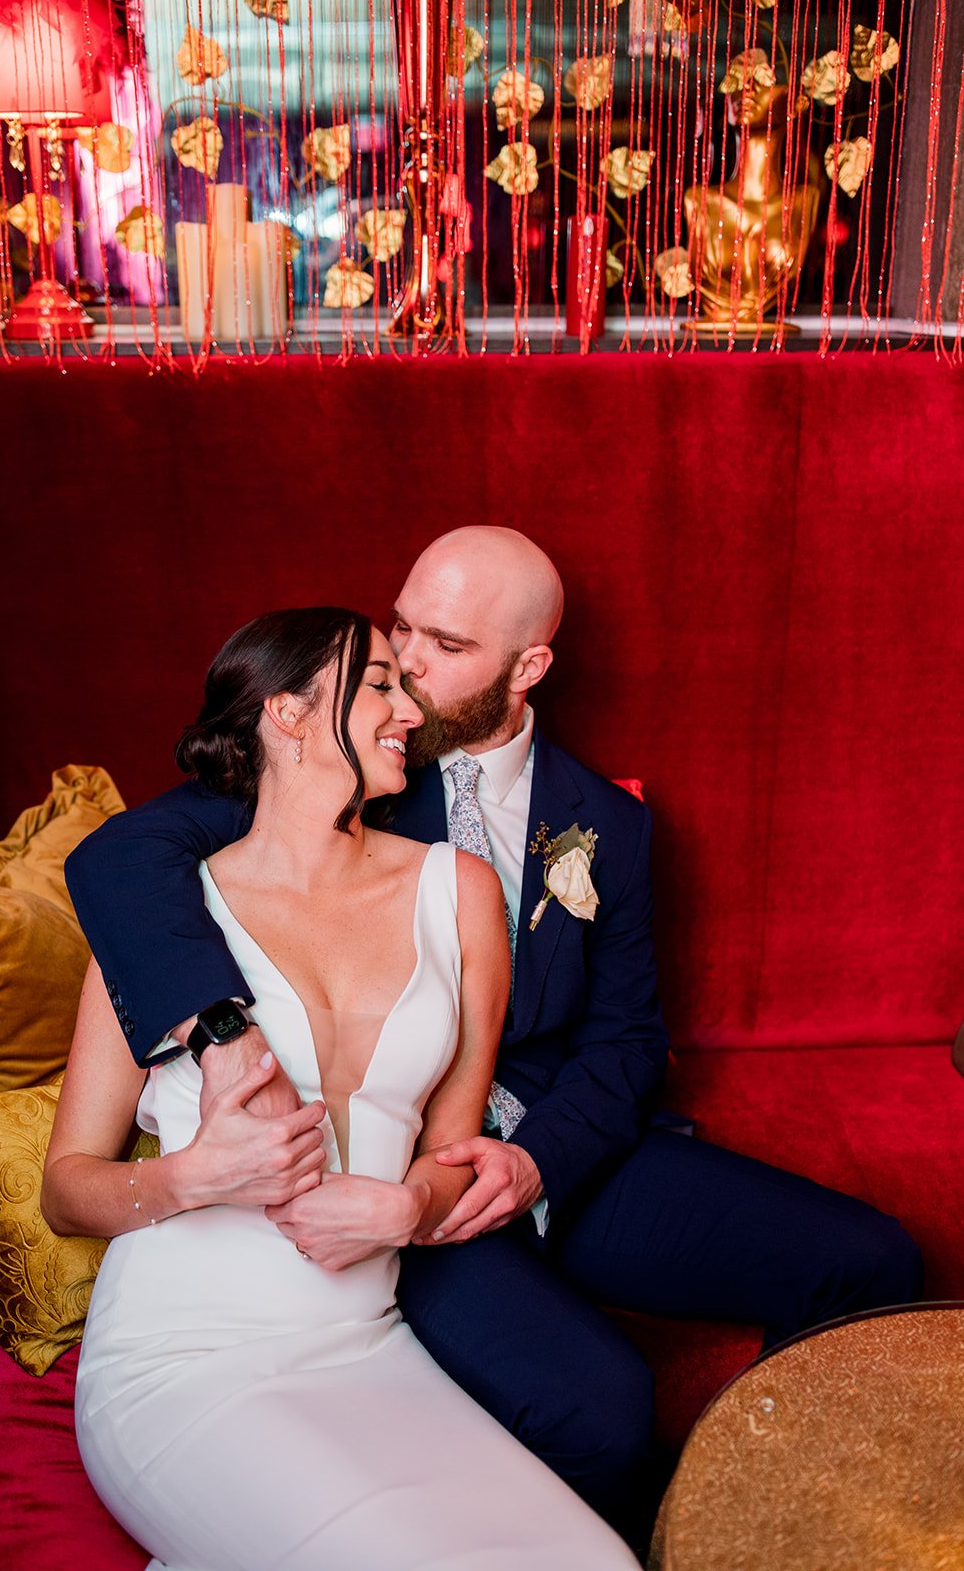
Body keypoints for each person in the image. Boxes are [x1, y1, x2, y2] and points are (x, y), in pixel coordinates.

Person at [64, 527, 923, 1533]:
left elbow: (624, 1042)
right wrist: (222, 1034)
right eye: (400, 631)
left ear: (528, 668)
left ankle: (770, 1521)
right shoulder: (347, 765)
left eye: (446, 645)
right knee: (599, 1408)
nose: (410, 667)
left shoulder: (607, 822)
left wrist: (530, 1165)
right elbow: (119, 861)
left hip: (554, 1154)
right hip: (396, 1179)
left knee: (866, 1261)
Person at [43, 606, 638, 1571]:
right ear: (284, 714)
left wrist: (408, 1205)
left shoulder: (460, 891)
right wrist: (196, 1177)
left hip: (368, 1343)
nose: (408, 704)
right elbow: (65, 1189)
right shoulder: (165, 918)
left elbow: (452, 1148)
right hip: (184, 1358)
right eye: (376, 684)